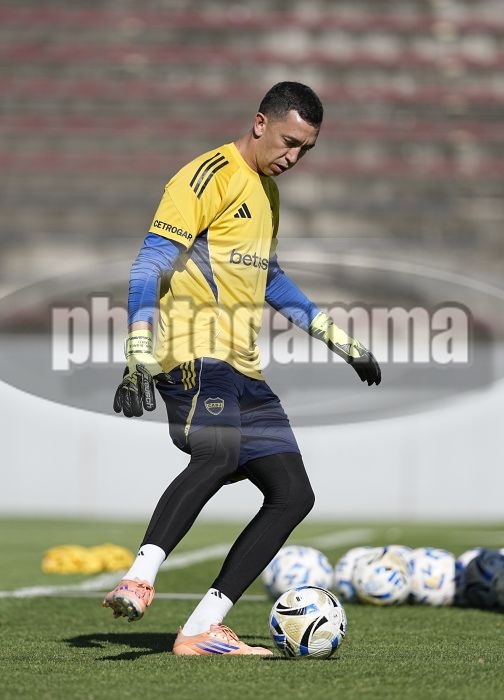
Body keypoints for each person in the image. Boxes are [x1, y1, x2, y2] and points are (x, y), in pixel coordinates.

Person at [103, 81, 381, 656]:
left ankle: (202, 627)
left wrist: (340, 340)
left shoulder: (268, 194)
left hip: (244, 368)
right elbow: (150, 262)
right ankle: (139, 578)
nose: (294, 157)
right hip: (192, 354)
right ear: (260, 123)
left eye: (305, 149)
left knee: (293, 494)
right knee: (219, 452)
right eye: (289, 142)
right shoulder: (205, 176)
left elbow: (268, 278)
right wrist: (137, 351)